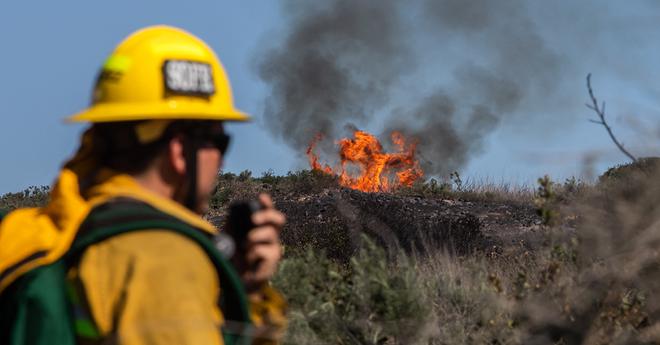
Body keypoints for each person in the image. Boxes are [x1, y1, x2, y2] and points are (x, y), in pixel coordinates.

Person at [4, 25, 287, 344]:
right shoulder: (163, 261)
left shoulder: (46, 233)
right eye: (218, 142)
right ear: (180, 151)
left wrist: (244, 291)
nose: (221, 161)